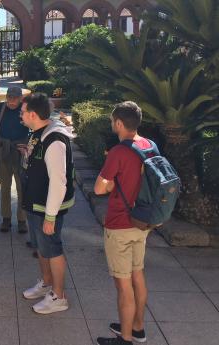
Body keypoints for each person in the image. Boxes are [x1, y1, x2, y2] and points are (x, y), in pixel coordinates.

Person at [93, 102, 152, 345]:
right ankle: (137, 327)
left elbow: (99, 189)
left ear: (119, 123)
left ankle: (125, 338)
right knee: (138, 275)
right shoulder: (149, 145)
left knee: (123, 284)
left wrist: (111, 182)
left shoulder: (118, 152)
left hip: (120, 224)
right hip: (142, 222)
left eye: (112, 121)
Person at [19, 93, 75, 314]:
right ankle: (46, 283)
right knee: (41, 246)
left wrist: (50, 217)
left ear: (33, 114)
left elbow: (59, 182)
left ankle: (59, 296)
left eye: (23, 113)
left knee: (52, 248)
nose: (20, 116)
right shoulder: (38, 133)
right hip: (36, 202)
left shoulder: (55, 140)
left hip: (47, 208)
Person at [0, 86, 31, 234]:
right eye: (9, 97)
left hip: (21, 152)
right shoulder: (0, 108)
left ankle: (22, 220)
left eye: (15, 97)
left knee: (22, 187)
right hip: (4, 151)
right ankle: (6, 218)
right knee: (5, 186)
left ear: (21, 98)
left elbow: (33, 127)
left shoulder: (26, 110)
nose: (11, 100)